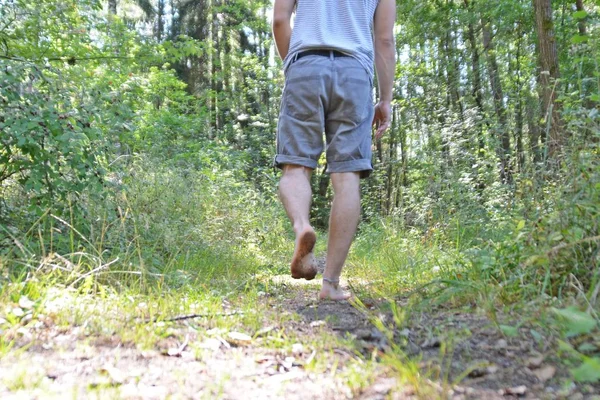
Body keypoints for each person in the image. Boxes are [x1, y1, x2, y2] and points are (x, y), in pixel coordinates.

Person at [272, 0, 396, 300]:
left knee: (296, 166)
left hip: (305, 64)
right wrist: (385, 98)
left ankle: (302, 226)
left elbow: (279, 20)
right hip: (355, 70)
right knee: (347, 178)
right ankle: (330, 284)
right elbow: (384, 39)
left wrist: (294, 67)